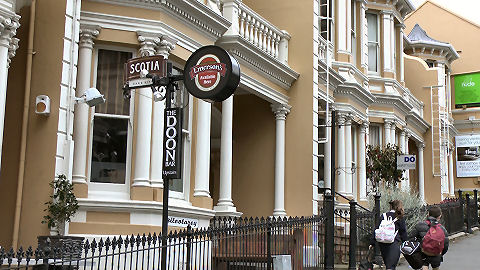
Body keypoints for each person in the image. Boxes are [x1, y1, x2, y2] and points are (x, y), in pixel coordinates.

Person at [377, 200, 408, 270]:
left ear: (391, 206)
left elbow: (377, 228)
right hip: (394, 243)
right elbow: (403, 232)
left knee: (387, 264)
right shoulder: (399, 216)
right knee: (391, 266)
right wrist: (405, 242)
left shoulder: (383, 215)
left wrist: (372, 243)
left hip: (382, 242)